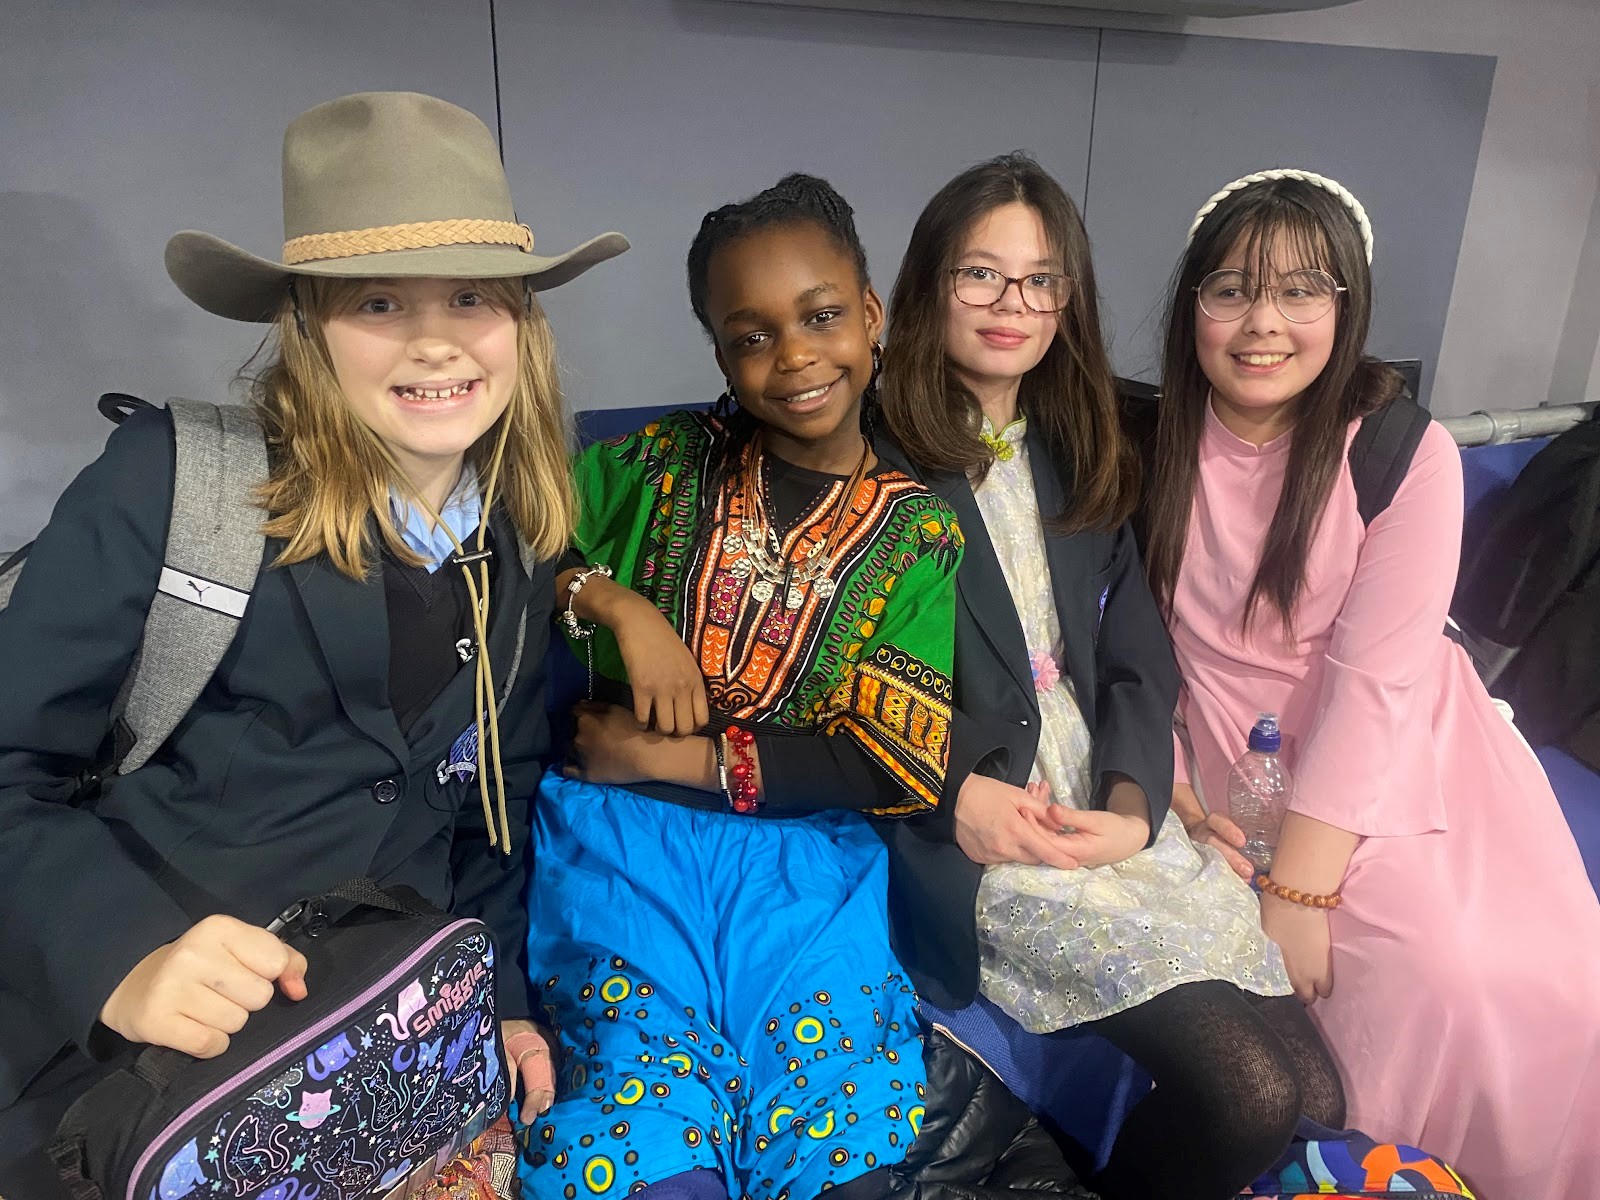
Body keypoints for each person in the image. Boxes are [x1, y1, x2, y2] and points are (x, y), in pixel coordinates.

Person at [0, 91, 627, 1194]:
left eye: (473, 295)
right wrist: (123, 955)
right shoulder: (172, 483)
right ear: (308, 326)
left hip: (378, 1067)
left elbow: (491, 800)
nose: (436, 339)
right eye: (379, 301)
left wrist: (499, 1002)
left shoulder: (522, 540)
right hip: (129, 1080)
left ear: (522, 323)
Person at [875, 153, 1344, 1200]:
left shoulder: (1077, 445)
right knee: (1249, 1095)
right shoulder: (870, 455)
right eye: (980, 274)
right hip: (985, 825)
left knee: (1315, 1091)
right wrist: (954, 793)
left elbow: (1139, 657)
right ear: (927, 286)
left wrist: (1136, 807)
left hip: (1104, 805)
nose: (1014, 304)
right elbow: (838, 677)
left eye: (1041, 280)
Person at [1146, 166, 1600, 1200]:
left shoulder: (1402, 450)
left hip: (1398, 747)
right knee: (1415, 988)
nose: (1263, 323)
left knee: (1539, 985)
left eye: (1299, 290)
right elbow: (1131, 640)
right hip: (1232, 755)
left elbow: (1373, 681)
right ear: (1192, 304)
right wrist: (1168, 780)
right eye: (1231, 289)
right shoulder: (1153, 441)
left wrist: (1300, 892)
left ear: (1344, 306)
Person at [519, 173, 972, 1200]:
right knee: (643, 1140)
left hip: (806, 871)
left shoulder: (916, 533)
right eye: (752, 336)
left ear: (871, 314)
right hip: (623, 853)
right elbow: (508, 542)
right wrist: (617, 605)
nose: (795, 356)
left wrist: (670, 755)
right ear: (721, 355)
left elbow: (894, 763)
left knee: (841, 1144)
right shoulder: (655, 466)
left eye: (821, 316)